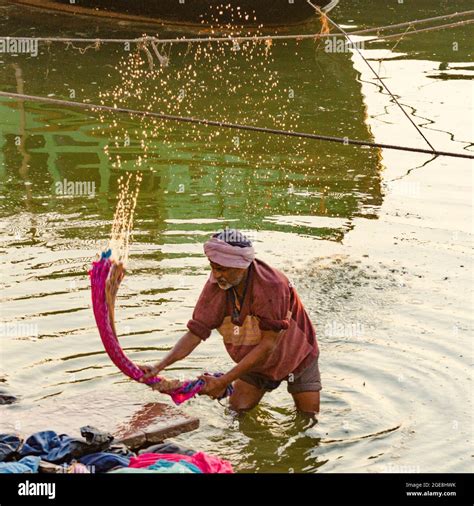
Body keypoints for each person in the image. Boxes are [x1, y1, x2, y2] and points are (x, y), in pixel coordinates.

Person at [139, 229, 321, 415]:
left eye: (222, 269)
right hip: (254, 363)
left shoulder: (272, 286)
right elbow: (195, 334)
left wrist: (224, 381)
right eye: (213, 267)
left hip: (297, 356)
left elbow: (268, 345)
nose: (216, 275)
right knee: (236, 412)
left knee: (307, 417)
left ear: (241, 266)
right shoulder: (215, 287)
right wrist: (158, 366)